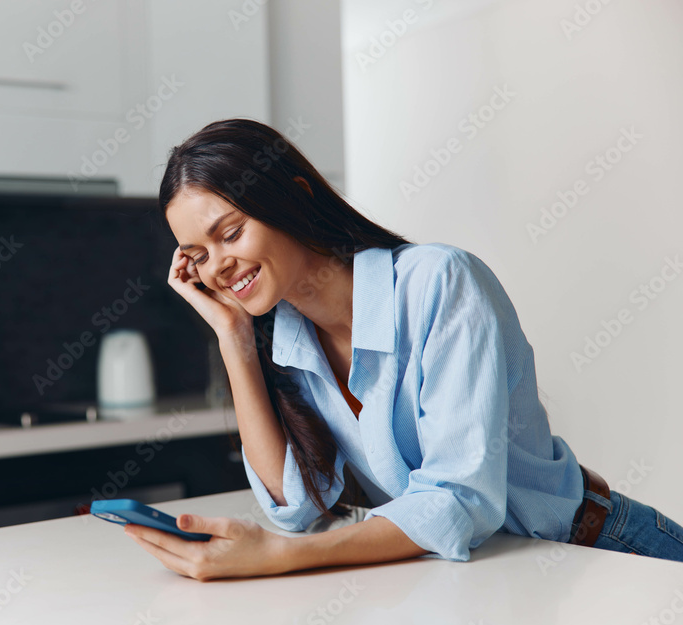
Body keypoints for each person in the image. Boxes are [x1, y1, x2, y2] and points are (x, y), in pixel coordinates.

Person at [122, 118, 683, 582]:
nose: (217, 266)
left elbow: (458, 500)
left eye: (231, 233)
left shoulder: (439, 282)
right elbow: (295, 505)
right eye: (196, 254)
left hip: (600, 554)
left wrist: (275, 558)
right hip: (494, 580)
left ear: (293, 198)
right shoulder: (286, 336)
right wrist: (233, 336)